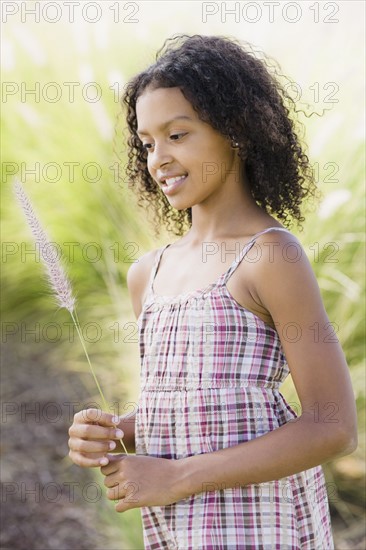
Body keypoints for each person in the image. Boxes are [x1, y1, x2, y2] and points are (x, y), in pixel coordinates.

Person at [68, 34, 358, 549]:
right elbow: (191, 406)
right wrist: (119, 430)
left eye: (177, 134)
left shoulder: (270, 256)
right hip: (180, 526)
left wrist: (177, 478)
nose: (158, 158)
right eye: (148, 143)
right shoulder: (149, 274)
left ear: (236, 130)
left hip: (259, 522)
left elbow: (332, 427)